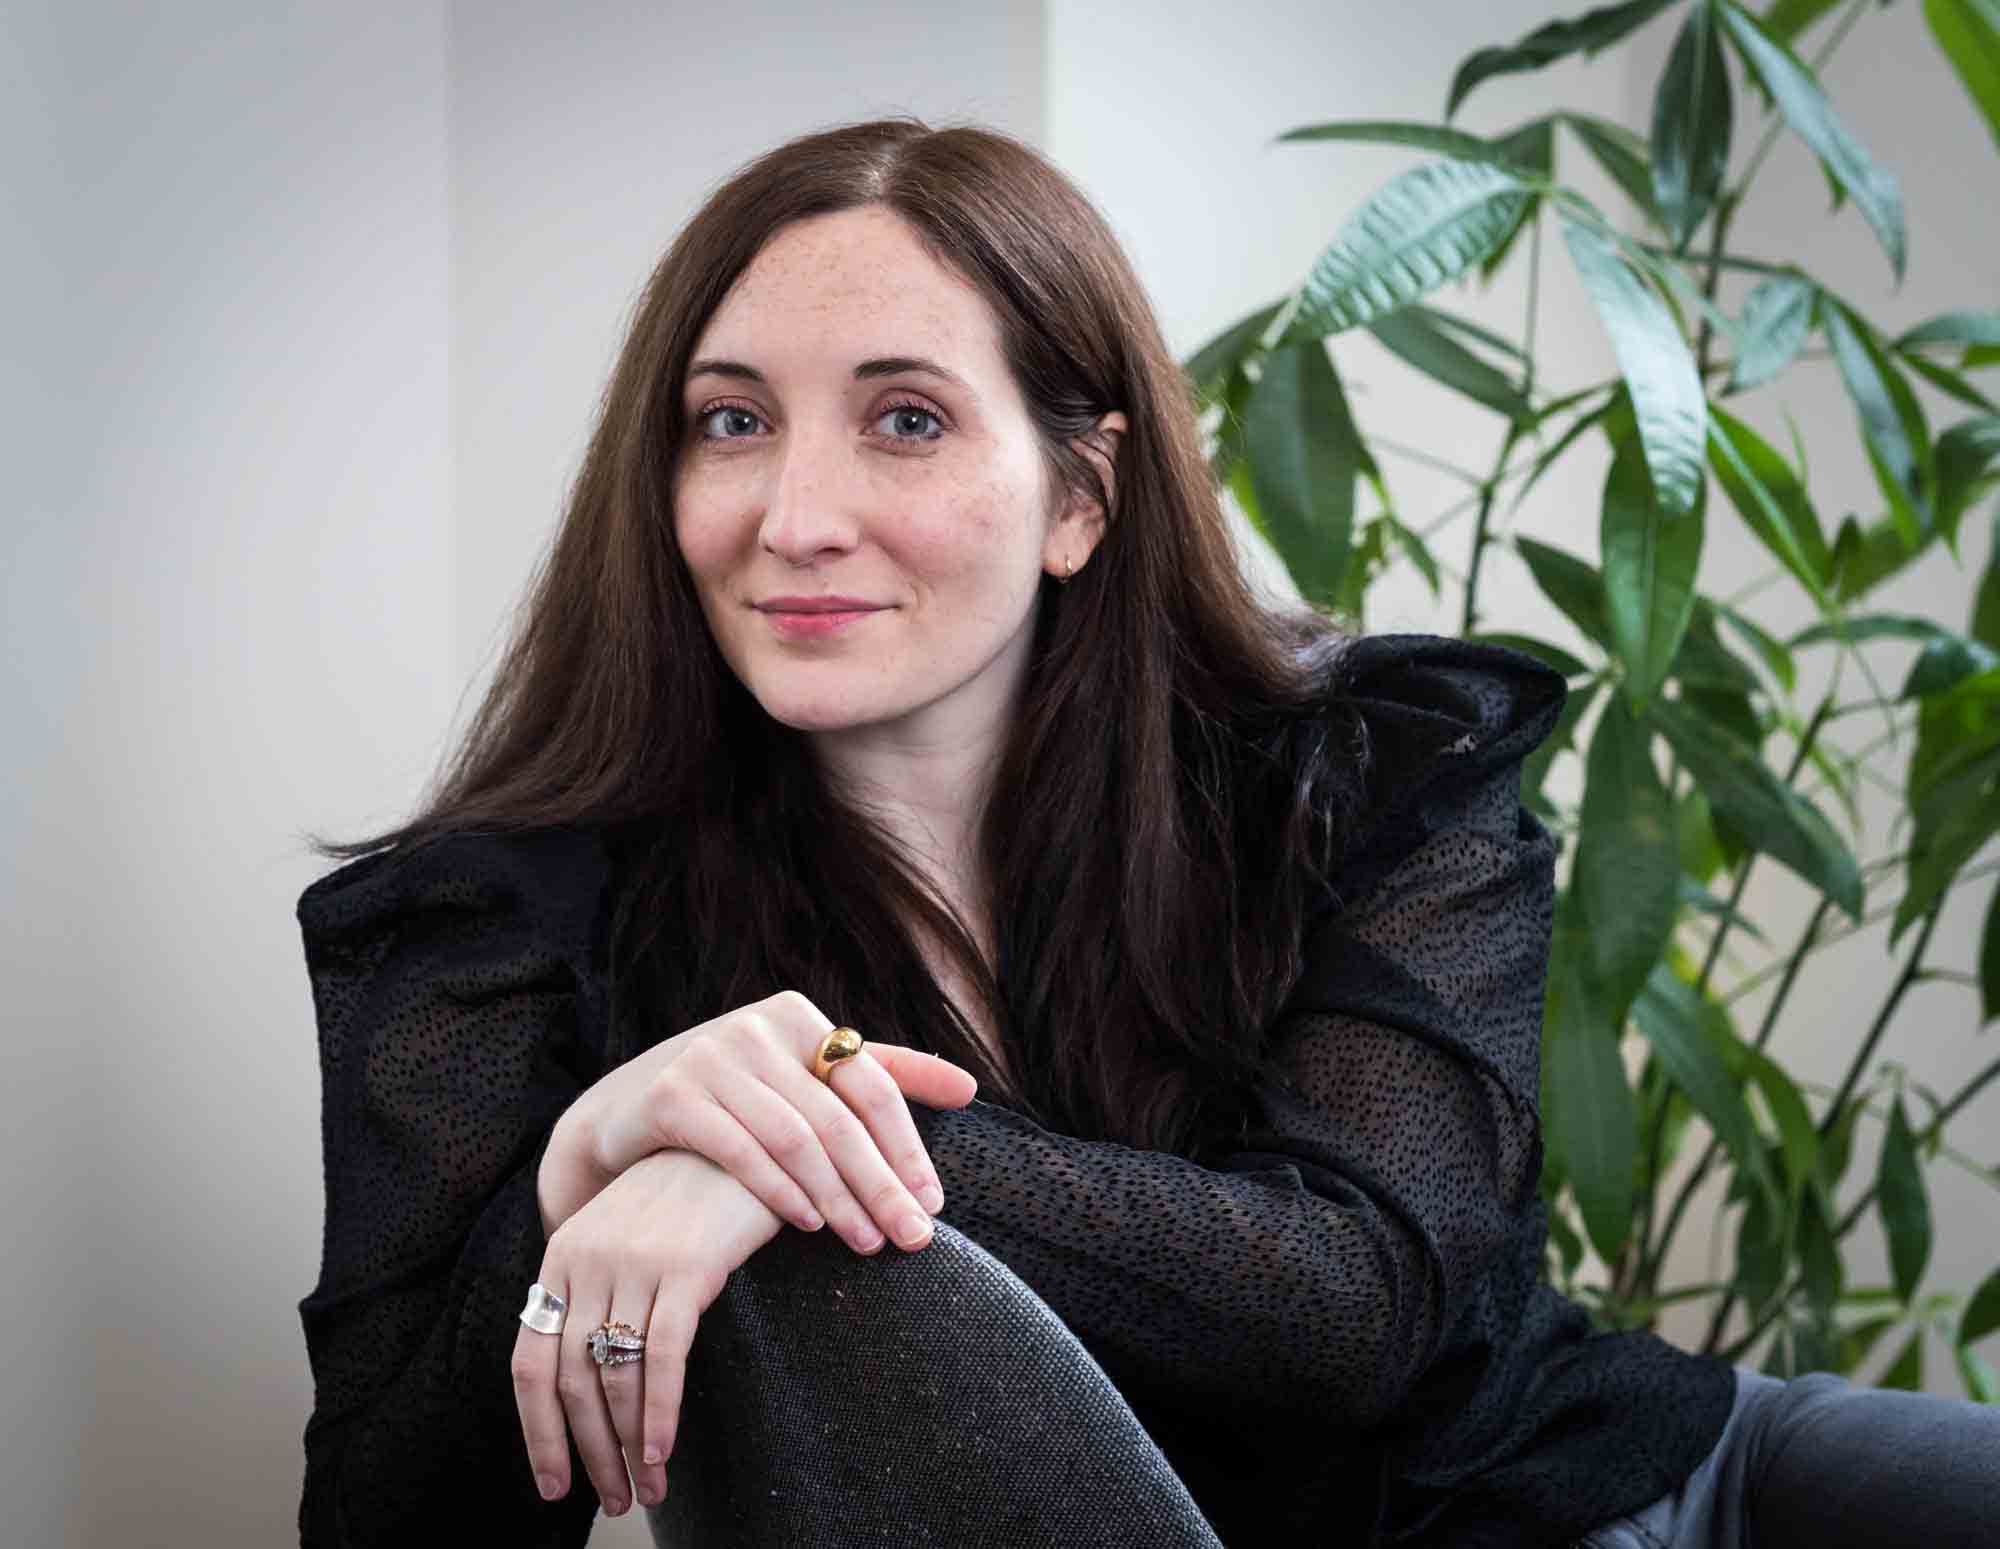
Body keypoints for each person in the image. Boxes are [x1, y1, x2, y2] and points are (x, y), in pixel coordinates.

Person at [293, 116, 2000, 1548]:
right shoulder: (498, 923)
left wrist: (814, 1134)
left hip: (1655, 1488)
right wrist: (594, 1151)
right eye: (732, 421)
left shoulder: (1369, 764)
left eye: (905, 417)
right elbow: (389, 1517)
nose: (795, 517)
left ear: (1082, 500)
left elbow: (1353, 1302)